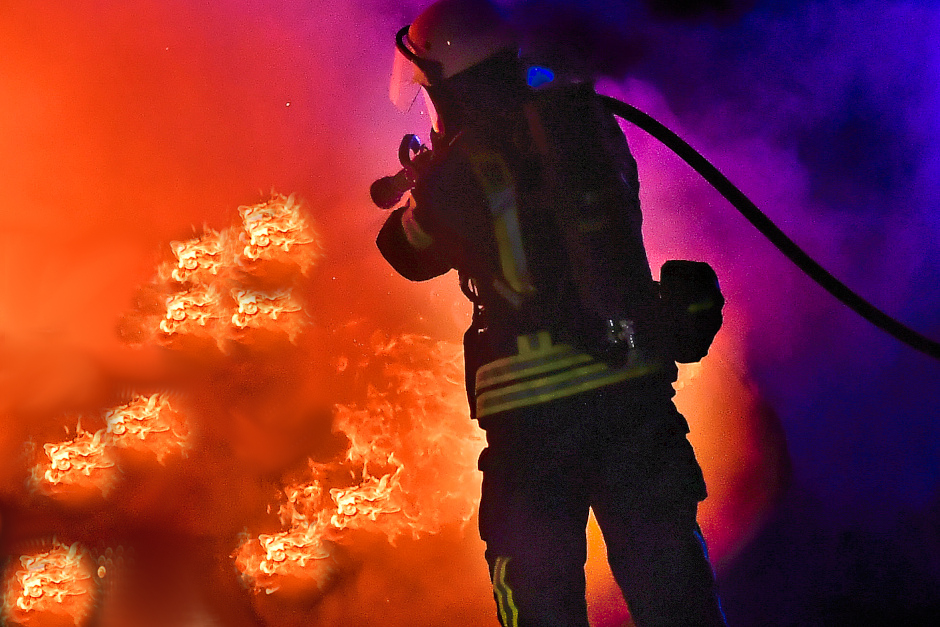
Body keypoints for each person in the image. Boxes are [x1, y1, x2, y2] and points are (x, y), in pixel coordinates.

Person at [373, 1, 727, 625]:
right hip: (635, 408)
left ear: (451, 86)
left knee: (538, 600)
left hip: (532, 432)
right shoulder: (588, 128)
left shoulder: (465, 167)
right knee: (675, 595)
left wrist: (430, 181)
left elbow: (405, 249)